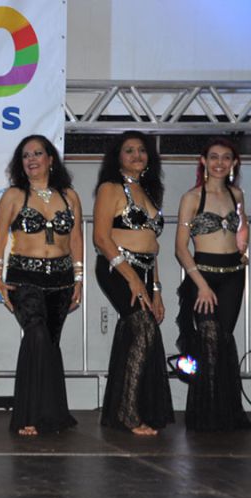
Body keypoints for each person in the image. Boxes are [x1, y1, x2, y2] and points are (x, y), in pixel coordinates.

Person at [0, 135, 81, 436]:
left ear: (50, 159)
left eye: (37, 153)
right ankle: (28, 415)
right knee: (37, 335)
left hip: (61, 278)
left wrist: (79, 279)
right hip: (25, 276)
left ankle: (52, 414)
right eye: (26, 155)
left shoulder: (69, 196)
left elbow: (76, 239)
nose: (31, 159)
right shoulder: (14, 195)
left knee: (51, 342)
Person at [93, 130, 173, 435]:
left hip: (145, 271)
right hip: (117, 268)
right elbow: (101, 238)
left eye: (141, 150)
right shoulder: (110, 188)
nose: (137, 155)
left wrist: (156, 289)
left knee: (142, 335)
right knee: (143, 330)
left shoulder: (150, 192)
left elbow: (152, 246)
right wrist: (132, 280)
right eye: (129, 150)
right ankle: (128, 413)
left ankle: (131, 408)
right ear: (118, 157)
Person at [175, 137, 251, 431]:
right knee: (207, 337)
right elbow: (180, 248)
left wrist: (243, 250)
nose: (220, 162)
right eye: (214, 157)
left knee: (223, 340)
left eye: (226, 157)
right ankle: (204, 414)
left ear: (234, 163)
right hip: (202, 275)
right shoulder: (192, 198)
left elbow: (242, 228)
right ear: (203, 161)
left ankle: (226, 414)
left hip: (233, 276)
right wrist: (201, 285)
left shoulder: (237, 194)